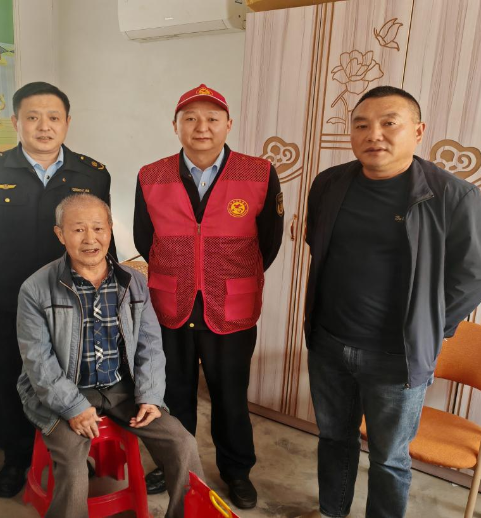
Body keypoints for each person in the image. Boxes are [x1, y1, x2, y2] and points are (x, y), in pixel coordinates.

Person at [302, 86, 481, 518]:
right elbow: (316, 242)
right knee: (333, 438)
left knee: (389, 458)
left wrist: (429, 324)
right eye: (361, 125)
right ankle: (332, 512)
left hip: (398, 357)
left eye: (389, 123)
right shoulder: (329, 184)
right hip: (329, 343)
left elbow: (479, 271)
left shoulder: (452, 196)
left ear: (418, 131)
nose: (374, 134)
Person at [0, 81, 116, 497]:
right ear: (16, 122)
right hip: (9, 303)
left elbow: (102, 240)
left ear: (67, 123)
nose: (44, 127)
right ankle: (16, 457)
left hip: (74, 302)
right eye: (33, 117)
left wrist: (107, 296)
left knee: (73, 378)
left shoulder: (92, 174)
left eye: (53, 118)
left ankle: (72, 454)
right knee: (13, 380)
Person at [134, 84, 284, 509]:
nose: (202, 127)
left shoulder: (258, 172)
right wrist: (182, 267)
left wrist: (226, 272)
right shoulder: (151, 175)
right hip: (171, 303)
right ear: (176, 126)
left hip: (231, 304)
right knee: (172, 394)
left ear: (228, 125)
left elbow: (268, 242)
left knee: (230, 395)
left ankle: (236, 471)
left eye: (212, 118)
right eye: (191, 118)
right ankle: (173, 465)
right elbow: (145, 239)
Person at [16, 194, 203, 518]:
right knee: (73, 464)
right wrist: (73, 407)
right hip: (63, 391)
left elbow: (149, 345)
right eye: (78, 230)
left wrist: (150, 396)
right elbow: (38, 362)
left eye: (98, 228)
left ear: (110, 229)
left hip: (120, 389)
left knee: (182, 443)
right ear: (60, 234)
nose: (90, 239)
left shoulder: (134, 282)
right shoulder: (36, 288)